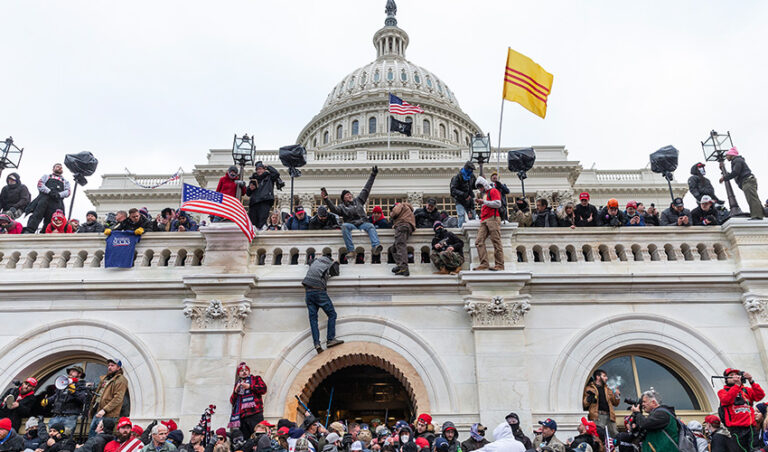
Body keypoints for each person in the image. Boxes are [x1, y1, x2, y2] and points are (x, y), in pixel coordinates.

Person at [322, 166, 382, 261]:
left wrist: (373, 175)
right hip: (351, 224)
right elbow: (334, 209)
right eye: (347, 195)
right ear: (344, 198)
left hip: (363, 223)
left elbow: (366, 189)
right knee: (344, 226)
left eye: (350, 194)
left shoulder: (359, 200)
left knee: (370, 226)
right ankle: (351, 250)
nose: (349, 195)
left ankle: (376, 246)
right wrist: (326, 199)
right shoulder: (342, 207)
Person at [302, 255, 344, 353]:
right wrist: (336, 262)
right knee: (332, 314)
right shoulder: (330, 263)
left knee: (313, 319)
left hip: (308, 292)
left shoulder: (315, 261)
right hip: (319, 291)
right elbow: (336, 272)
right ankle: (330, 339)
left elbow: (309, 261)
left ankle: (317, 343)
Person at [718, 368, 765, 452]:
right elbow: (726, 400)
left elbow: (760, 396)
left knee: (755, 449)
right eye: (731, 375)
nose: (735, 376)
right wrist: (737, 386)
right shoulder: (722, 391)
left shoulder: (746, 390)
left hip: (750, 427)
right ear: (726, 379)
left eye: (736, 374)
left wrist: (751, 381)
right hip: (736, 429)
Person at [24, 164, 71, 233]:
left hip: (56, 201)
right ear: (53, 169)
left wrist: (59, 194)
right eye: (58, 167)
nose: (60, 168)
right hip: (44, 199)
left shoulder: (65, 181)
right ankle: (29, 231)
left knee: (52, 219)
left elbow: (68, 191)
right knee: (37, 215)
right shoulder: (46, 176)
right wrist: (49, 191)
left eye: (61, 167)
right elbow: (40, 184)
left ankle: (45, 232)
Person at [42, 365, 89, 433]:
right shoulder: (64, 383)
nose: (70, 373)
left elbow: (83, 399)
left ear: (79, 374)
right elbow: (56, 396)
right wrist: (48, 400)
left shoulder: (82, 385)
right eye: (70, 371)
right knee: (51, 434)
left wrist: (74, 392)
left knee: (65, 435)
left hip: (70, 416)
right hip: (57, 415)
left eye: (73, 371)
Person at [720, 148, 764, 220]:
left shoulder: (737, 160)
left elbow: (735, 172)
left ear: (731, 154)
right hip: (748, 181)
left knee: (752, 199)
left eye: (727, 155)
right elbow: (736, 173)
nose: (726, 157)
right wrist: (724, 171)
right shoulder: (737, 160)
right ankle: (762, 214)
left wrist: (724, 178)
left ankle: (757, 216)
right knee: (753, 198)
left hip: (747, 181)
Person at [89, 359, 128, 438]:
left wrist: (104, 410)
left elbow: (118, 398)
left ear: (118, 367)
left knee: (101, 437)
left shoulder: (121, 380)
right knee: (92, 434)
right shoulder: (106, 378)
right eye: (109, 365)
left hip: (108, 414)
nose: (109, 367)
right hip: (97, 411)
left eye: (112, 365)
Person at [229, 362, 268, 438]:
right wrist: (236, 392)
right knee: (246, 439)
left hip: (255, 414)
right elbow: (232, 401)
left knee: (258, 437)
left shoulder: (255, 379)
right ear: (238, 374)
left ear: (249, 371)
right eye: (241, 371)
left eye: (246, 370)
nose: (244, 372)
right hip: (243, 417)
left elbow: (263, 389)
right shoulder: (237, 384)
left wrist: (250, 386)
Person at [473, 177, 503, 271]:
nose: (480, 189)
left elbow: (498, 203)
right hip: (484, 219)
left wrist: (484, 202)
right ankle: (484, 263)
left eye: (480, 187)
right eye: (479, 187)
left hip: (492, 218)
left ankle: (499, 264)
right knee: (478, 241)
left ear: (484, 184)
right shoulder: (485, 194)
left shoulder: (493, 191)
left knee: (496, 241)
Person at [583, 369, 621, 437]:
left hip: (609, 416)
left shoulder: (608, 389)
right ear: (598, 377)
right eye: (604, 376)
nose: (606, 378)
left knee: (615, 434)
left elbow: (615, 403)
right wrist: (589, 399)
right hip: (598, 416)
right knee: (598, 435)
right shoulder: (589, 388)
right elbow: (585, 403)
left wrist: (617, 395)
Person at [246, 162, 284, 229]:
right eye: (257, 169)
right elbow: (248, 193)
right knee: (252, 223)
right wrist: (250, 188)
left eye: (260, 169)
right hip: (254, 203)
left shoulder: (269, 177)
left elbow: (276, 174)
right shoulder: (254, 179)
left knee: (262, 222)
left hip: (264, 201)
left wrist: (268, 167)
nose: (259, 171)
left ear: (264, 169)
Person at [389, 200, 415, 277]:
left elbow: (395, 212)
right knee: (394, 248)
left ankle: (404, 267)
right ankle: (400, 265)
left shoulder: (400, 205)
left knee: (400, 245)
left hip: (402, 226)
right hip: (407, 227)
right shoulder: (408, 210)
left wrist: (391, 214)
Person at [450, 162, 477, 228]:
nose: (471, 171)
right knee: (461, 215)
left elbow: (474, 186)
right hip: (460, 200)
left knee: (473, 215)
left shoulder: (472, 176)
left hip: (469, 201)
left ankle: (474, 229)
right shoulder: (457, 177)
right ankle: (460, 229)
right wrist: (464, 195)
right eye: (470, 169)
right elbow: (453, 190)